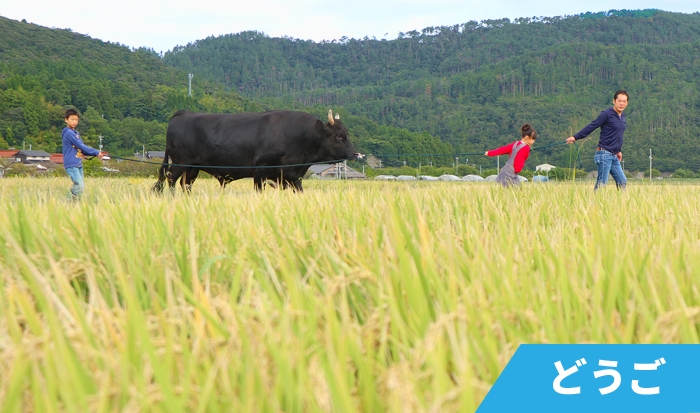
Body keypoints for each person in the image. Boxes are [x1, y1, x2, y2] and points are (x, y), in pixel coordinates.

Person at [566, 90, 629, 190]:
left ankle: (622, 204)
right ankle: (595, 203)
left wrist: (618, 150)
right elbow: (592, 125)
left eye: (624, 101)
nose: (622, 103)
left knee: (622, 181)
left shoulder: (623, 117)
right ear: (614, 101)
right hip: (604, 154)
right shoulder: (607, 114)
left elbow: (617, 135)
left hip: (614, 155)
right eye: (619, 101)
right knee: (602, 183)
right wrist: (575, 137)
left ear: (627, 103)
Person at [62, 109, 105, 200]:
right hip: (72, 164)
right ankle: (66, 201)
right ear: (66, 120)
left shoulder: (75, 133)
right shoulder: (69, 133)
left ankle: (74, 205)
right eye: (72, 119)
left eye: (76, 120)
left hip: (78, 163)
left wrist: (92, 154)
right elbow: (81, 146)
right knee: (79, 185)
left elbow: (81, 148)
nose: (74, 122)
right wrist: (96, 152)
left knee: (80, 188)